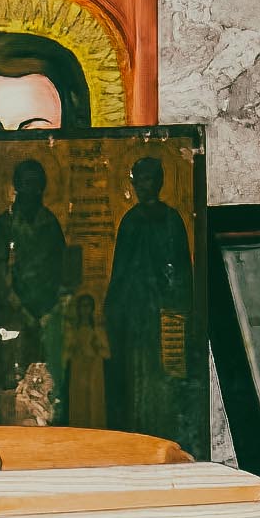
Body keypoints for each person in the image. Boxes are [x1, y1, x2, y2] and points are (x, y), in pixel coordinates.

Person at [104, 151, 203, 442]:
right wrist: (114, 307)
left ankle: (163, 431)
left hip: (163, 313)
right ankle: (136, 431)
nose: (142, 185)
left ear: (158, 182)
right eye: (138, 180)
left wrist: (176, 302)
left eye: (148, 179)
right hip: (134, 313)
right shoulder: (130, 221)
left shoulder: (171, 219)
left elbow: (181, 268)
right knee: (134, 374)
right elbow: (120, 271)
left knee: (163, 373)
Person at [0, 151, 76, 424]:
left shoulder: (50, 224)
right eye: (25, 182)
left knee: (47, 386)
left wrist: (49, 311)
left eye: (36, 183)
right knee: (14, 385)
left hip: (46, 320)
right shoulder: (4, 225)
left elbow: (62, 271)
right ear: (17, 186)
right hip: (12, 322)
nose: (31, 189)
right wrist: (21, 310)